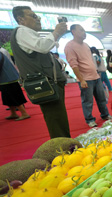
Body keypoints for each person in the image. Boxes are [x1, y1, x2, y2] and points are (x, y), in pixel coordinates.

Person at [10, 6, 70, 138]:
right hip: (46, 83)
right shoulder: (21, 31)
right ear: (21, 19)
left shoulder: (25, 32)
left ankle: (65, 147)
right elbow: (42, 46)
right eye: (33, 16)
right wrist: (56, 33)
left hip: (48, 82)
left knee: (57, 118)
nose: (38, 19)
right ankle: (65, 151)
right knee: (56, 119)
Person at [64, 24, 112, 128]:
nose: (84, 32)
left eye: (84, 30)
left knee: (101, 98)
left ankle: (105, 114)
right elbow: (73, 64)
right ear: (73, 31)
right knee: (87, 101)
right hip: (85, 79)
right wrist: (81, 80)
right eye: (81, 30)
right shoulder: (69, 46)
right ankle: (90, 119)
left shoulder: (86, 45)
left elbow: (91, 61)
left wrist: (97, 73)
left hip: (95, 76)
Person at [0, 48, 30, 120]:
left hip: (7, 79)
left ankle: (24, 113)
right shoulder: (1, 52)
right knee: (8, 97)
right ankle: (13, 113)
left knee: (14, 96)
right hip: (7, 78)